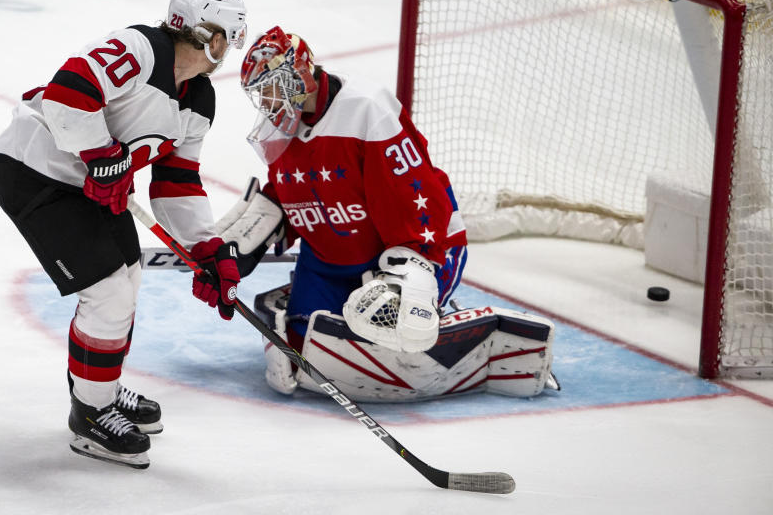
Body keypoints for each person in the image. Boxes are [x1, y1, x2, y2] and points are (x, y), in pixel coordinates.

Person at [0, 0, 247, 468]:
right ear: (215, 38)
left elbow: (177, 182)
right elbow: (67, 93)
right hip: (35, 173)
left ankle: (99, 388)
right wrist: (101, 154)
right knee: (107, 291)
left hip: (90, 189)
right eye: (227, 39)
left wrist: (206, 248)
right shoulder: (139, 48)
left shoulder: (198, 97)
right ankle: (91, 414)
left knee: (126, 279)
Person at [226, 26, 557, 402]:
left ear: (301, 74)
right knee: (308, 357)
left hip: (414, 249)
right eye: (260, 92)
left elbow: (419, 196)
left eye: (273, 87)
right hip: (328, 260)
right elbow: (290, 192)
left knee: (392, 334)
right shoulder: (280, 123)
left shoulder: (367, 108)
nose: (267, 101)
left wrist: (413, 272)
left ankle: (469, 329)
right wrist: (243, 242)